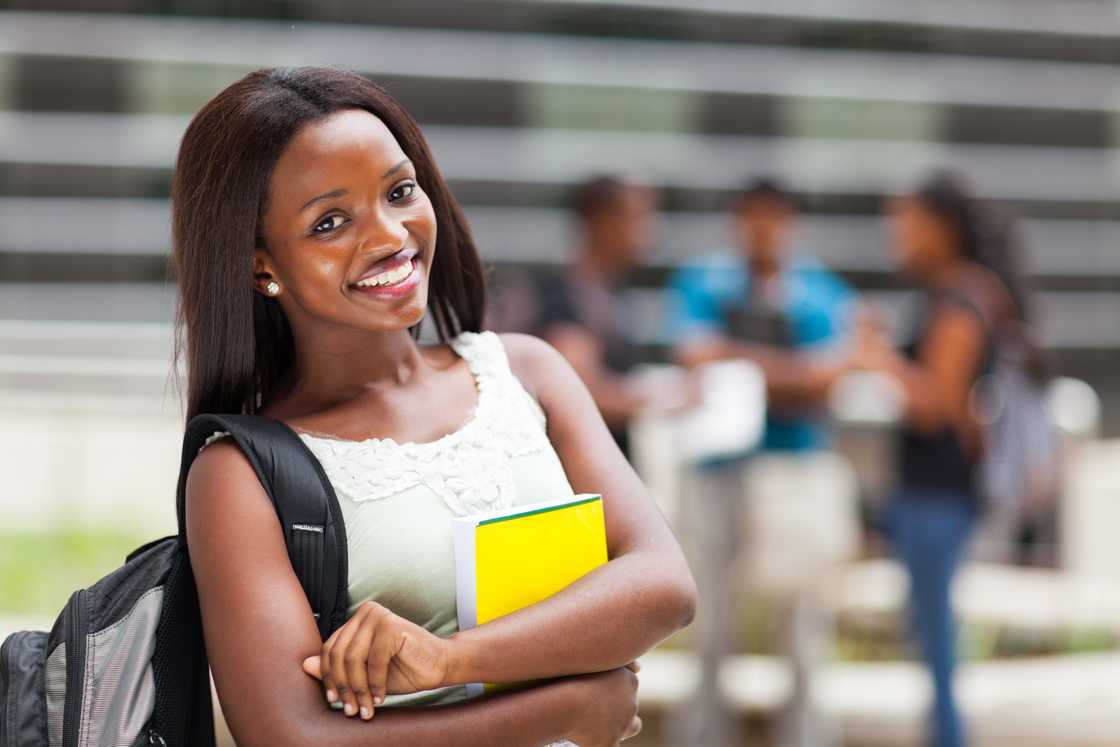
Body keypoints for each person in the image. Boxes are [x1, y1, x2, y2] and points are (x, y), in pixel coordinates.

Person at [174, 67, 697, 747]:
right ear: (259, 264)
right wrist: (562, 710)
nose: (389, 235)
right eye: (330, 222)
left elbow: (663, 584)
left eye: (399, 191)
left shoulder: (528, 373)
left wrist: (451, 659)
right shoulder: (239, 473)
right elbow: (290, 737)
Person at [859, 171, 1029, 747]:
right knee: (933, 645)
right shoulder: (957, 292)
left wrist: (876, 356)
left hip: (937, 496)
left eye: (906, 219)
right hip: (935, 494)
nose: (896, 232)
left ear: (941, 226)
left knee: (937, 650)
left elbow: (935, 403)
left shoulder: (959, 298)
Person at [494, 174, 690, 459]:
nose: (652, 230)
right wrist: (668, 398)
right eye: (639, 217)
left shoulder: (609, 294)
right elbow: (582, 392)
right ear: (601, 222)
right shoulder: (561, 298)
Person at [668, 177, 858, 452]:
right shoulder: (701, 279)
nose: (762, 227)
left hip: (797, 455)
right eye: (752, 215)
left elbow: (824, 380)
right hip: (716, 455)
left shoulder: (823, 290)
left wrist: (733, 368)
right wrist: (793, 374)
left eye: (773, 216)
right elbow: (694, 358)